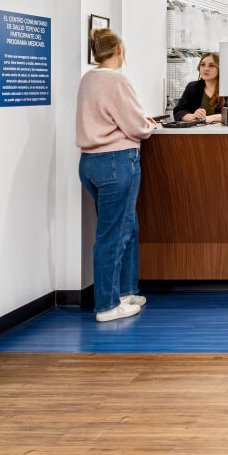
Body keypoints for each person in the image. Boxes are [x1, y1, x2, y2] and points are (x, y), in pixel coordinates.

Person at [76, 28, 157, 323]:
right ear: (119, 50)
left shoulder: (88, 78)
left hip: (90, 162)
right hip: (116, 161)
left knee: (127, 226)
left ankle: (125, 292)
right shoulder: (117, 80)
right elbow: (136, 126)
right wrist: (148, 125)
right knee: (114, 234)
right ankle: (108, 305)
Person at [173, 52, 228, 123]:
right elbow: (179, 111)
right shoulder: (192, 87)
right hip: (197, 129)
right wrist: (193, 116)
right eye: (203, 65)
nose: (206, 69)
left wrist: (213, 118)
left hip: (224, 130)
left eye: (211, 65)